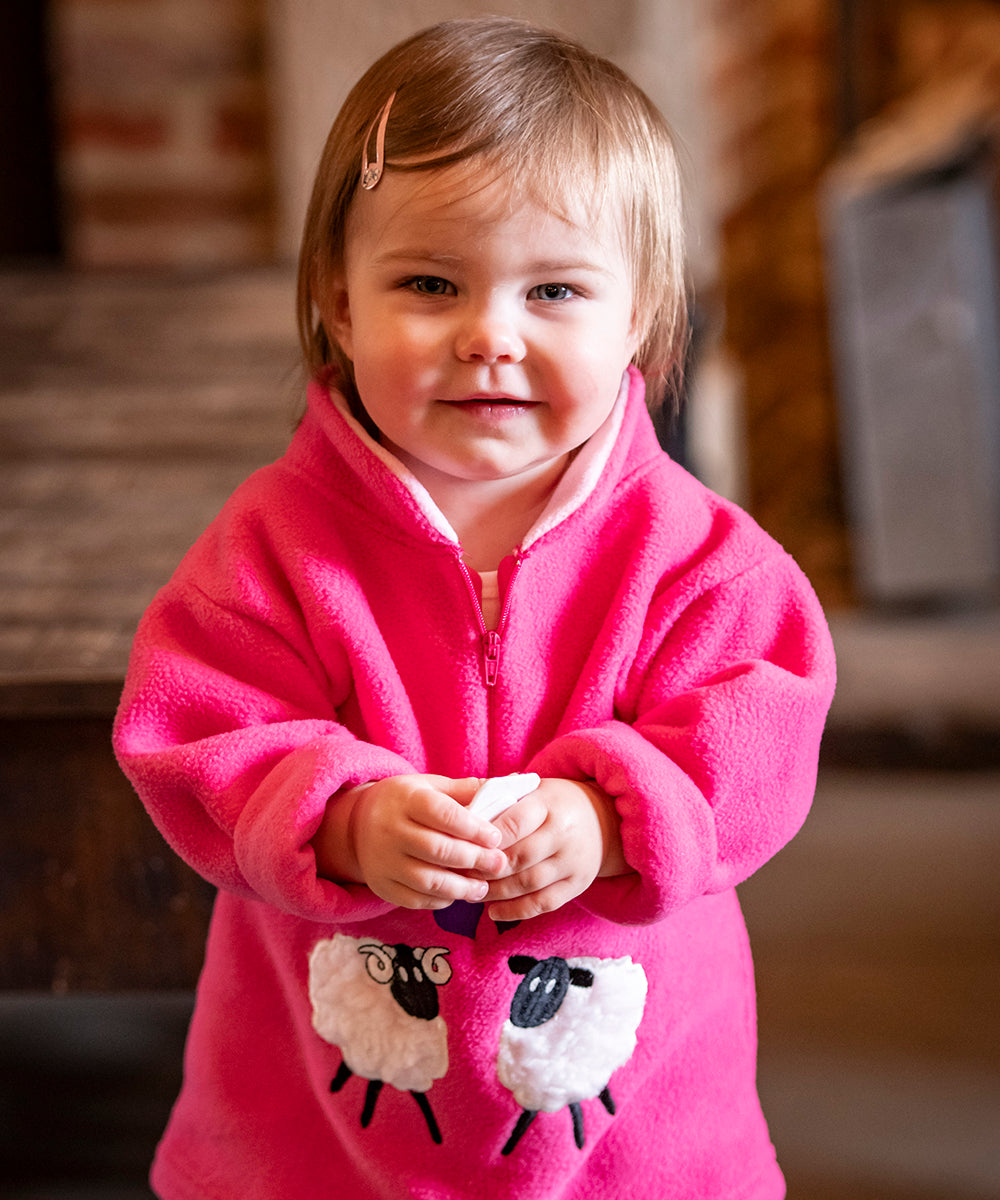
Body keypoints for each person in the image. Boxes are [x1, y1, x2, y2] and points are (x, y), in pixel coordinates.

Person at [113, 16, 835, 1200]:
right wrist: (338, 818)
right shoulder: (274, 546)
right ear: (340, 306)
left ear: (640, 320)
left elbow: (760, 742)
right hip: (318, 1106)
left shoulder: (705, 563)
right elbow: (192, 728)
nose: (489, 335)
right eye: (429, 283)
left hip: (631, 1113)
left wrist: (611, 820)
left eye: (554, 289)